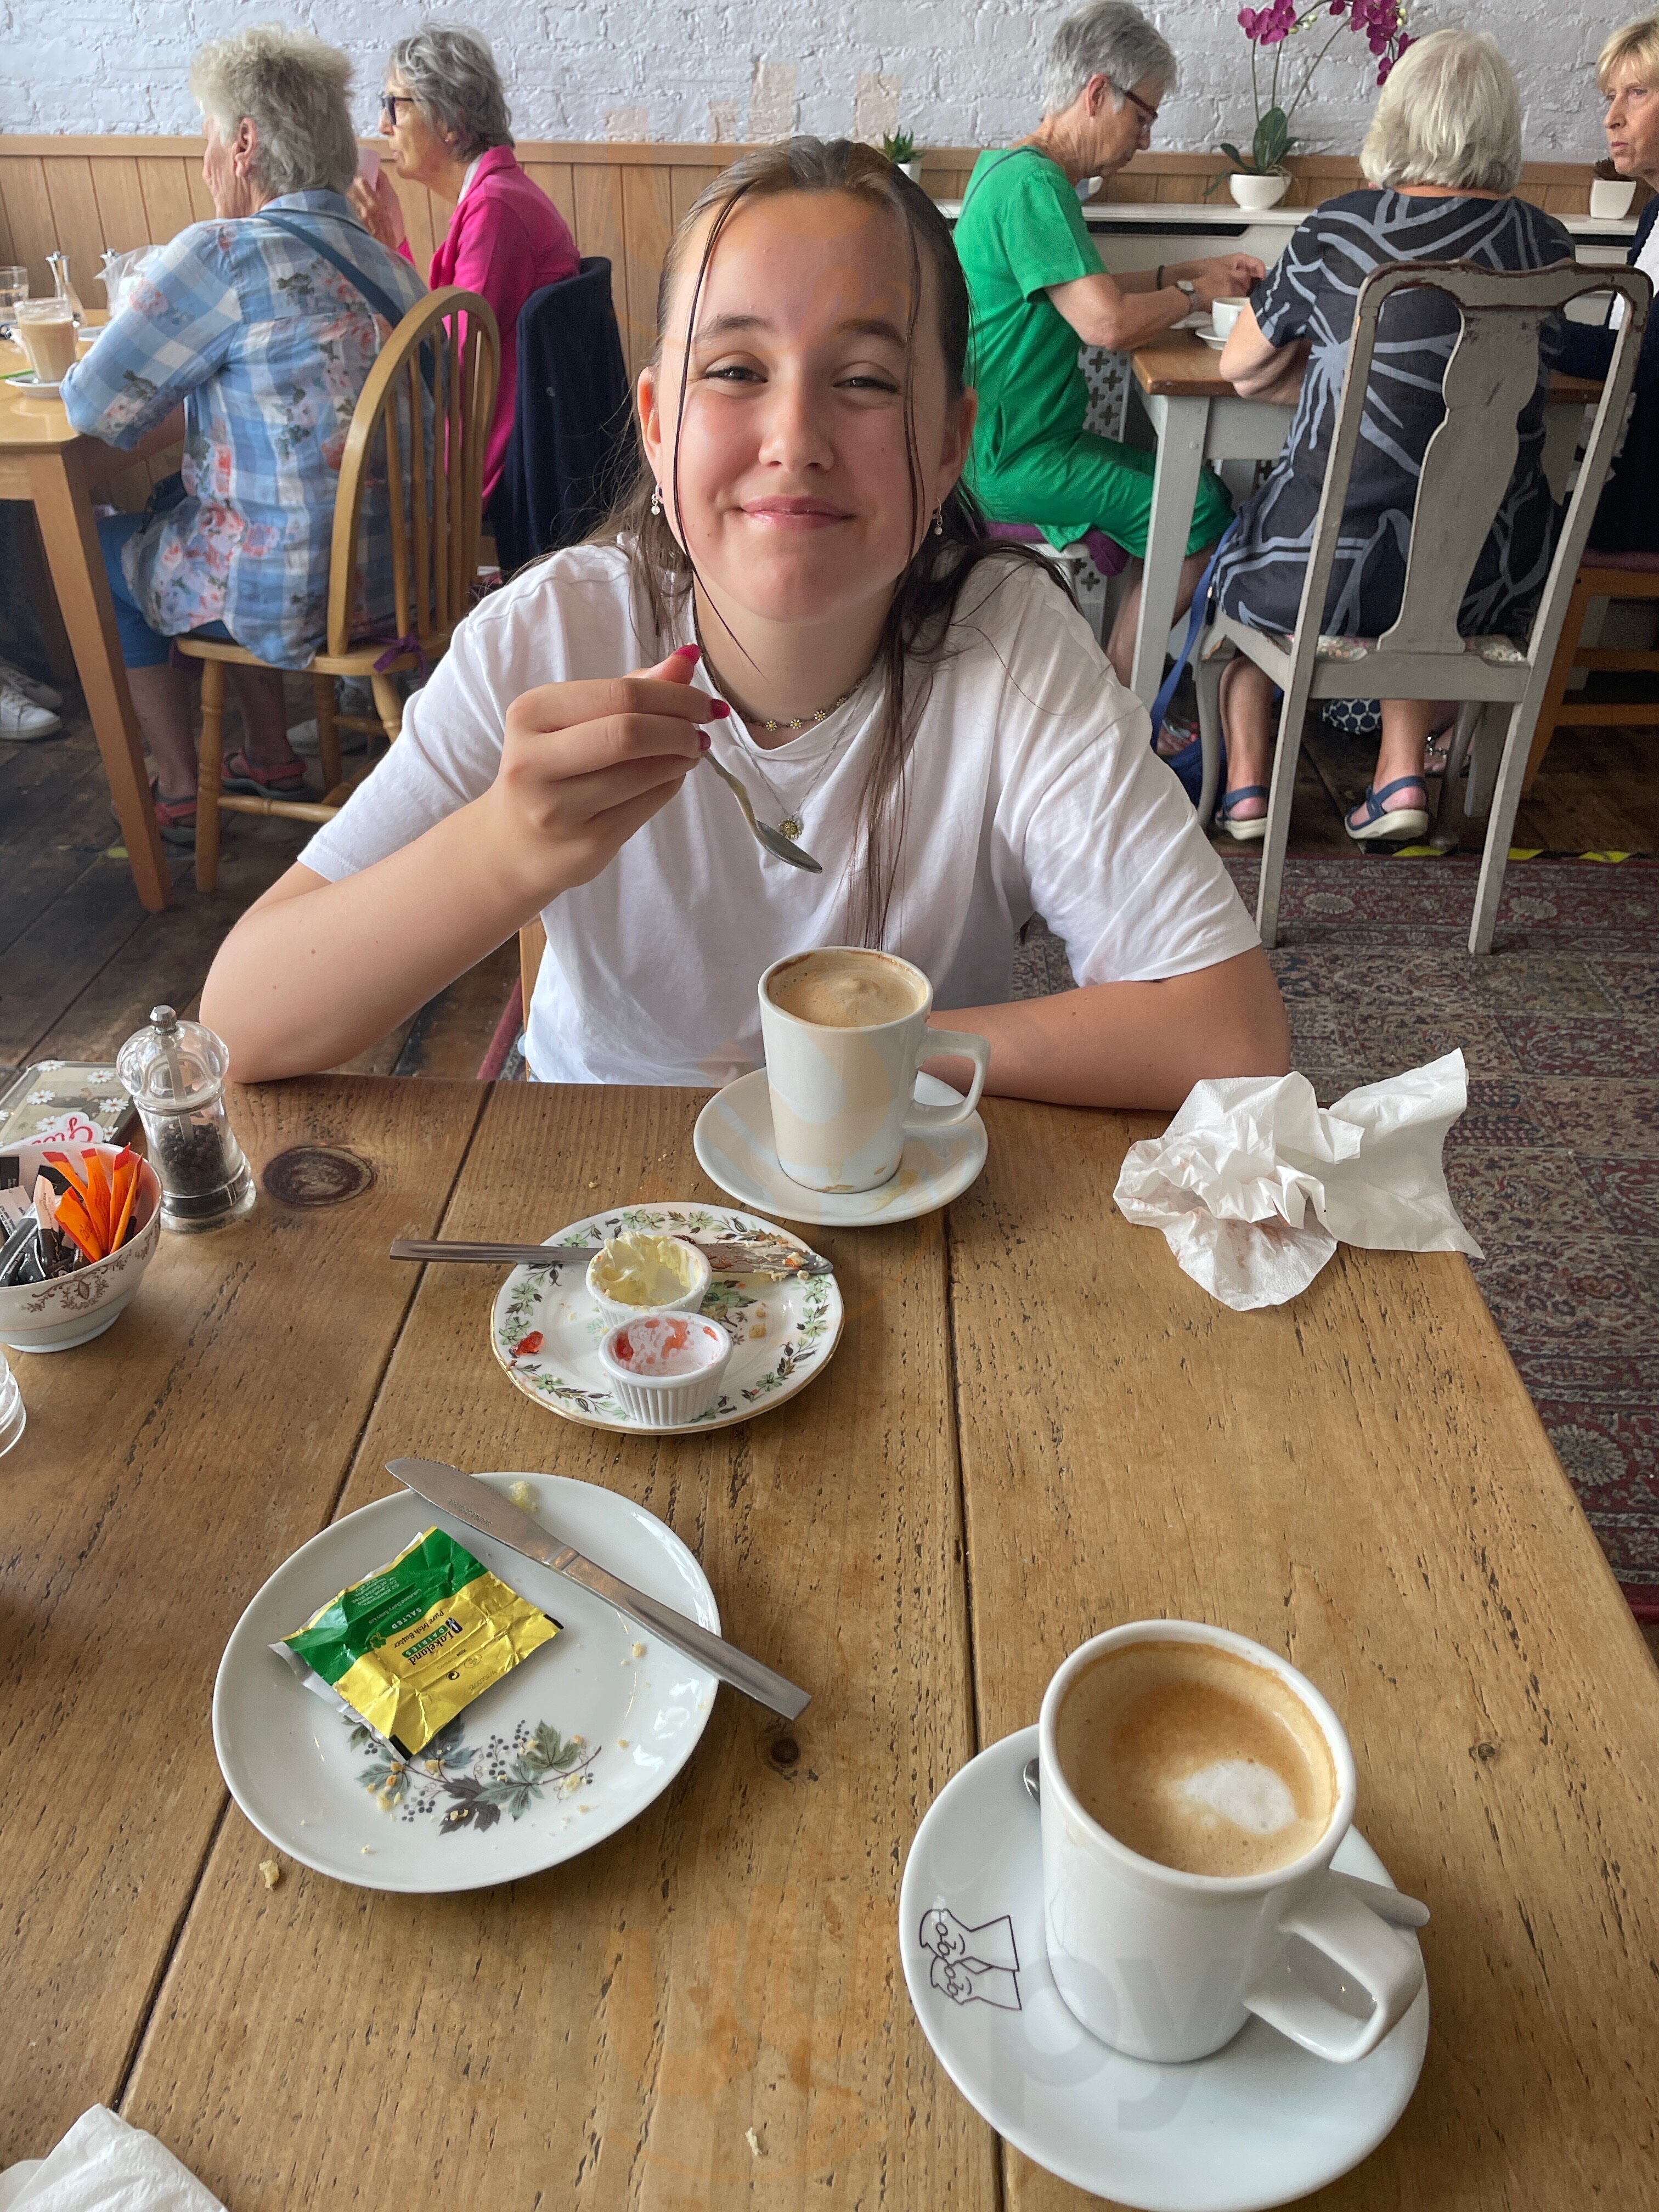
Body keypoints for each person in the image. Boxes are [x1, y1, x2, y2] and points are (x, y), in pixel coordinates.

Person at [201, 139, 1288, 1107]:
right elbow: (244, 1020)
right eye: (733, 371)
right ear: (656, 424)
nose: (794, 437)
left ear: (950, 441)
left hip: (886, 1183)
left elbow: (1229, 1036)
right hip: (596, 1190)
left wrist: (866, 1050)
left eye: (865, 380)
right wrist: (505, 849)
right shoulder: (550, 635)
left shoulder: (1007, 644)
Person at [60, 25, 427, 846]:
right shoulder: (391, 264)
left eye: (208, 139)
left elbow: (90, 405)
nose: (205, 163)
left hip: (296, 597)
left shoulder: (225, 253)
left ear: (245, 143)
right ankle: (268, 754)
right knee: (195, 503)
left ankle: (178, 788)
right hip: (402, 587)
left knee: (104, 548)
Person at [1211, 29, 1573, 842]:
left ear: (1398, 118)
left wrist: (1327, 380)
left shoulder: (1341, 229)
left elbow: (1240, 366)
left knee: (1262, 555)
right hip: (1490, 572)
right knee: (1428, 551)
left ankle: (1246, 788)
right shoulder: (1545, 245)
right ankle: (1401, 771)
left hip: (1325, 573)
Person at [952, 1, 1265, 686]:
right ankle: (1124, 699)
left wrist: (1191, 271)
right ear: (1097, 93)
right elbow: (1106, 325)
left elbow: (1084, 291)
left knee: (1181, 492)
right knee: (1203, 509)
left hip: (1002, 446)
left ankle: (1116, 689)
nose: (1145, 139)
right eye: (1143, 116)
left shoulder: (1006, 171)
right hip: (1012, 460)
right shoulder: (1036, 186)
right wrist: (1195, 295)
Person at [351, 25, 579, 510]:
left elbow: (450, 371)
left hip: (489, 458)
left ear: (450, 118)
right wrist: (393, 242)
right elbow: (443, 337)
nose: (383, 125)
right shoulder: (493, 198)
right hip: (496, 436)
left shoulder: (496, 211)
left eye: (395, 104)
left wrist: (384, 252)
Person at [1554, 13, 1659, 552]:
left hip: (1646, 492)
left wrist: (1524, 325)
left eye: (1637, 93)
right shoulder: (1654, 214)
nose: (1612, 118)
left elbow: (1638, 357)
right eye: (1610, 97)